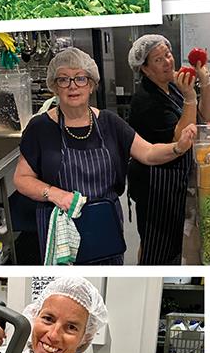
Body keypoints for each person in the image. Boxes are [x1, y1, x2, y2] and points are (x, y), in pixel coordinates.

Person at [12, 48, 195, 265]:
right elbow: (22, 179)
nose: (72, 86)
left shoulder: (109, 122)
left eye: (80, 78)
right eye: (64, 79)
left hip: (104, 227)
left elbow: (148, 153)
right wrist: (53, 193)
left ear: (91, 84)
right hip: (60, 230)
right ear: (54, 86)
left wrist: (178, 147)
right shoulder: (40, 127)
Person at [126, 34, 210, 264]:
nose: (167, 62)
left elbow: (206, 118)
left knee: (166, 242)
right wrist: (191, 97)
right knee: (156, 244)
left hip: (172, 178)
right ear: (144, 69)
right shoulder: (147, 100)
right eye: (158, 59)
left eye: (168, 54)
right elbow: (181, 139)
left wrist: (205, 82)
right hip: (155, 184)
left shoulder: (169, 86)